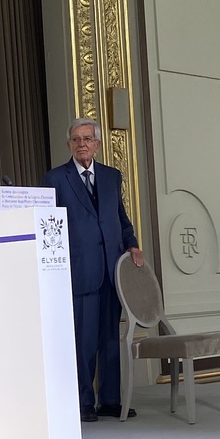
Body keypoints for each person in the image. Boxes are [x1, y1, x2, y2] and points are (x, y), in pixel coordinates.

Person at [41, 118, 144, 423]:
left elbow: (120, 217)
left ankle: (110, 400)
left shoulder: (112, 177)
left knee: (110, 339)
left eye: (87, 138)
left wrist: (132, 243)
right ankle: (84, 401)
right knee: (83, 340)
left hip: (113, 271)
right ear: (69, 144)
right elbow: (49, 226)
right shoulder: (55, 179)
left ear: (97, 144)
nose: (82, 143)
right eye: (76, 139)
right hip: (79, 269)